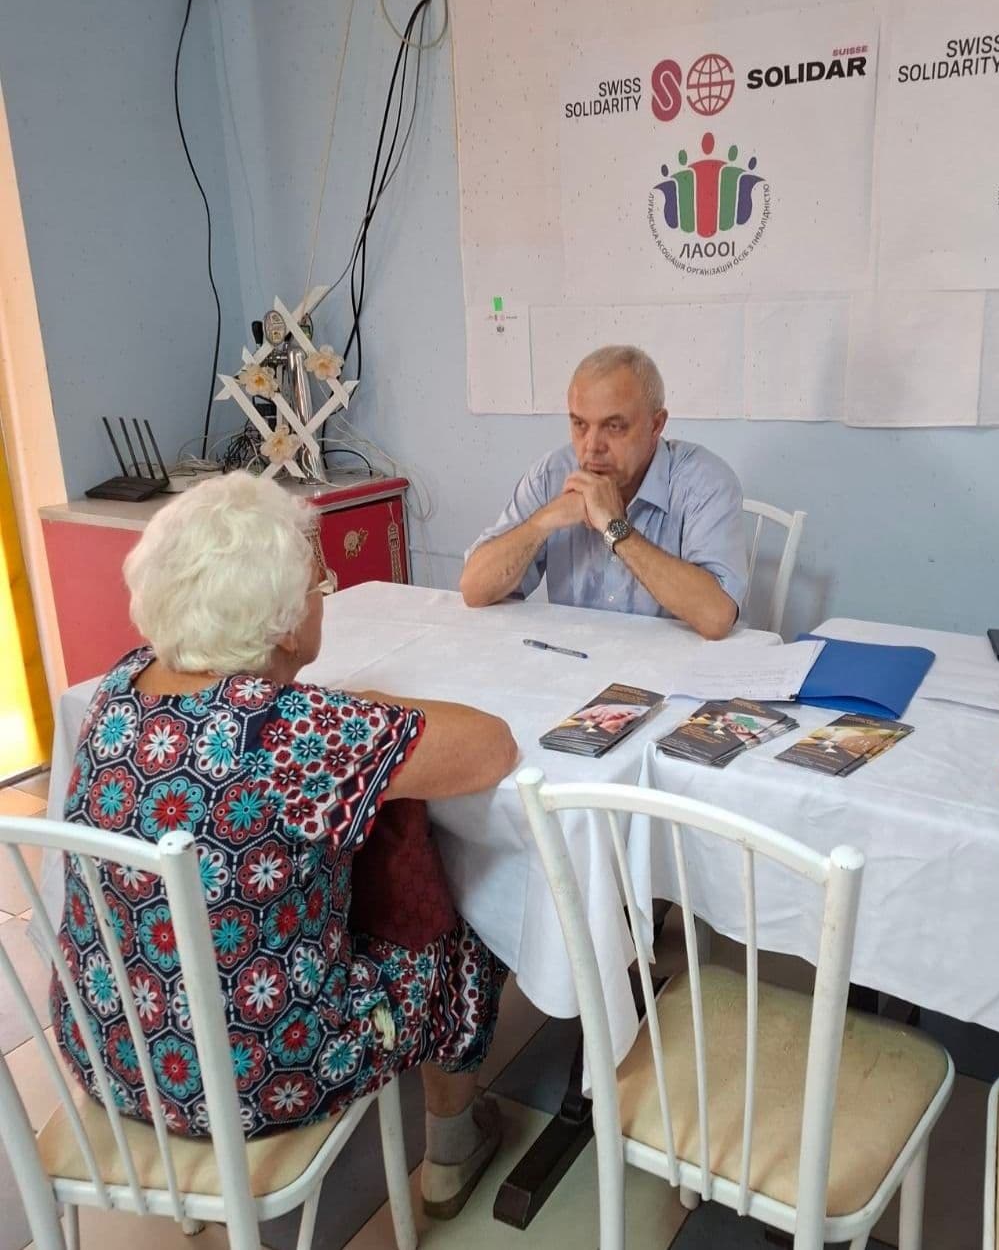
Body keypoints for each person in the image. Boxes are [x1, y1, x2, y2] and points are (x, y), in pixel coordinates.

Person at [52, 472, 517, 1220]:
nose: (321, 596)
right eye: (316, 583)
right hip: (260, 1075)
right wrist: (359, 709)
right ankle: (453, 1147)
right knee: (461, 929)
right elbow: (490, 747)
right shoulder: (293, 730)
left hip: (111, 1049)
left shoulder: (117, 689)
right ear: (282, 621)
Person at [460, 345, 747, 640]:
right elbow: (473, 589)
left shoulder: (704, 481)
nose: (592, 446)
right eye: (579, 424)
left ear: (656, 424)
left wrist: (616, 529)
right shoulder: (552, 474)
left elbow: (716, 617)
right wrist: (545, 520)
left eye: (614, 426)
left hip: (672, 671)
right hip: (575, 663)